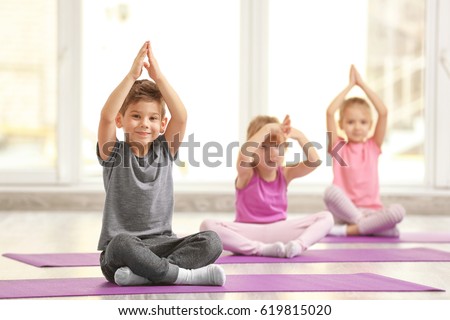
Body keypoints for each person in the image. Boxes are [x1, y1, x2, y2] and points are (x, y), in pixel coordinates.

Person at [97, 41, 225, 286]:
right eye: (136, 116)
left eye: (152, 118)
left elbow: (181, 115)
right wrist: (132, 75)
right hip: (122, 251)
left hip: (164, 245)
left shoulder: (165, 151)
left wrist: (158, 76)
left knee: (212, 241)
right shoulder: (113, 153)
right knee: (122, 243)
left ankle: (146, 276)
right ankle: (181, 276)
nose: (145, 123)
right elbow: (105, 117)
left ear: (162, 124)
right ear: (121, 120)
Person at [200, 115, 334, 258]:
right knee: (207, 226)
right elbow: (244, 155)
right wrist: (267, 129)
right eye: (264, 147)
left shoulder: (285, 173)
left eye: (278, 147)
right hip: (248, 233)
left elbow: (314, 161)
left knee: (327, 218)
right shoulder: (247, 173)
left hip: (279, 231)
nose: (273, 153)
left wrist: (298, 135)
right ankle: (260, 249)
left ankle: (297, 246)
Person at [324, 65, 405, 237]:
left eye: (363, 122)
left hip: (371, 211)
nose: (357, 127)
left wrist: (362, 85)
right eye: (351, 122)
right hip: (345, 211)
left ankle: (351, 229)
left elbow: (383, 112)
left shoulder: (373, 146)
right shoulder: (338, 148)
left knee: (397, 213)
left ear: (370, 125)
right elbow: (330, 112)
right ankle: (363, 225)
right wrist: (350, 86)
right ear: (341, 125)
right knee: (330, 192)